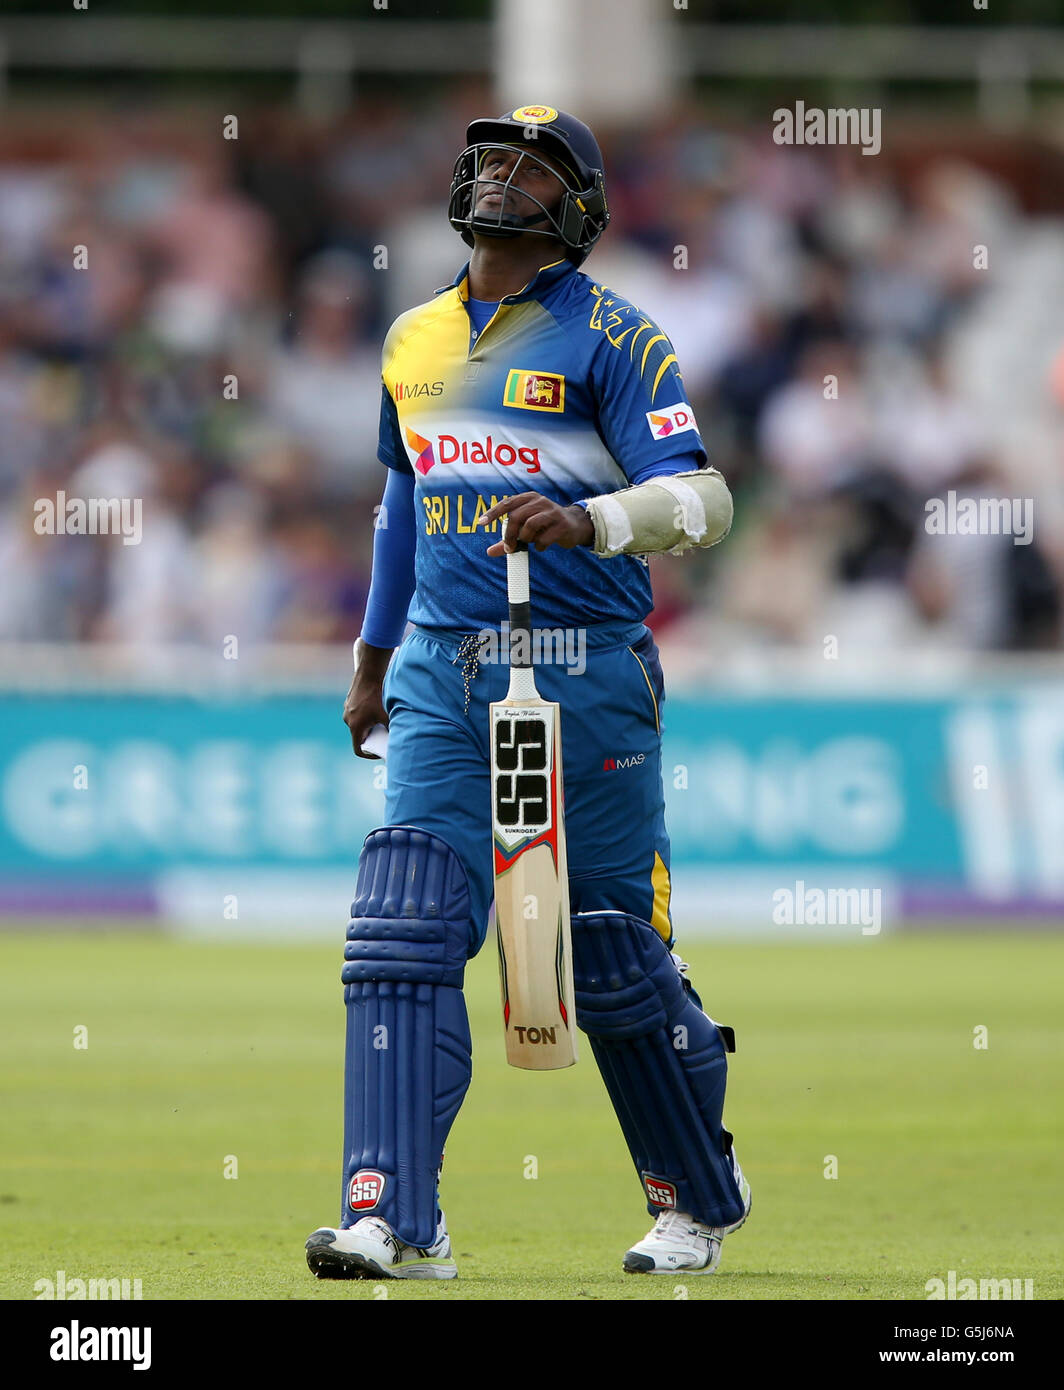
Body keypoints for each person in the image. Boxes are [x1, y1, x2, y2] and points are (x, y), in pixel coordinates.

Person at [305, 105, 750, 1281]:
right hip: (443, 668)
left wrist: (589, 519)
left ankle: (693, 1196)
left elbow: (702, 500)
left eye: (535, 170)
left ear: (580, 209)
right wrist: (369, 651)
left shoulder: (615, 337)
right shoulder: (411, 338)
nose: (503, 181)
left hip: (587, 669)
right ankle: (394, 1216)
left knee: (603, 950)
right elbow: (401, 502)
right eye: (492, 160)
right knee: (403, 922)